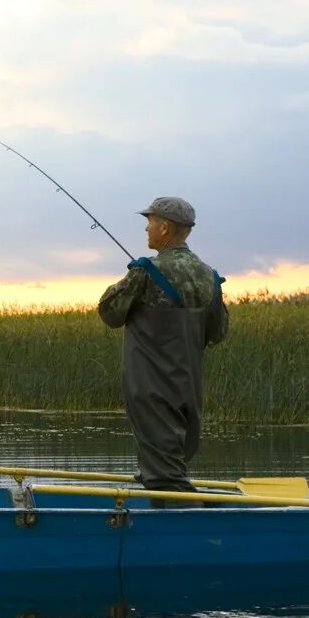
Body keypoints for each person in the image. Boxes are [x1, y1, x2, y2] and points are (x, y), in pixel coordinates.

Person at [98, 197, 229, 501]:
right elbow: (218, 332)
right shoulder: (210, 277)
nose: (146, 227)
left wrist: (134, 279)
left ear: (165, 227)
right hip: (189, 388)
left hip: (151, 388)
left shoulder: (145, 271)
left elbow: (109, 313)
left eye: (150, 221)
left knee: (164, 476)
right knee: (171, 465)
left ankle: (191, 529)